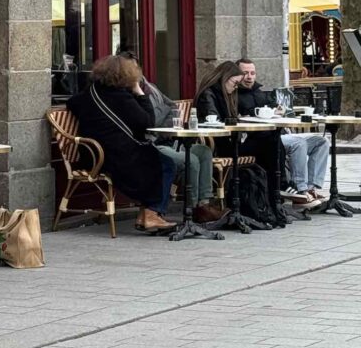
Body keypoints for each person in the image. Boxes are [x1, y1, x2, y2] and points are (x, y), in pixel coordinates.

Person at [66, 55, 177, 233]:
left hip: (94, 154)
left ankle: (145, 215)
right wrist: (139, 92)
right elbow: (148, 121)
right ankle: (151, 213)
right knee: (165, 163)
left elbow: (71, 102)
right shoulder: (121, 97)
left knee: (154, 159)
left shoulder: (92, 92)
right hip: (114, 156)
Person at [127, 53, 225, 224]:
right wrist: (163, 122)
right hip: (151, 144)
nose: (134, 71)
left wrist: (164, 123)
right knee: (191, 159)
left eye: (135, 67)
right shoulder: (130, 94)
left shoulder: (150, 87)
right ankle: (192, 208)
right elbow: (149, 120)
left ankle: (204, 203)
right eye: (129, 68)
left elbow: (171, 106)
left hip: (168, 139)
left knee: (203, 151)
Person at [195, 60, 284, 221]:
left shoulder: (225, 94)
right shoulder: (209, 94)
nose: (235, 87)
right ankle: (273, 195)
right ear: (224, 78)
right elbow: (213, 121)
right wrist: (237, 121)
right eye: (235, 83)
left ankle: (271, 196)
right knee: (270, 141)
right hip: (220, 146)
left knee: (271, 139)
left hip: (231, 142)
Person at [238, 58, 328, 207]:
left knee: (321, 142)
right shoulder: (235, 95)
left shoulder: (259, 92)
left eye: (252, 73)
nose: (249, 77)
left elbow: (274, 107)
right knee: (298, 143)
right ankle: (300, 190)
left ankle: (312, 188)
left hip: (278, 134)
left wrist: (280, 110)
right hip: (259, 139)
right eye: (245, 73)